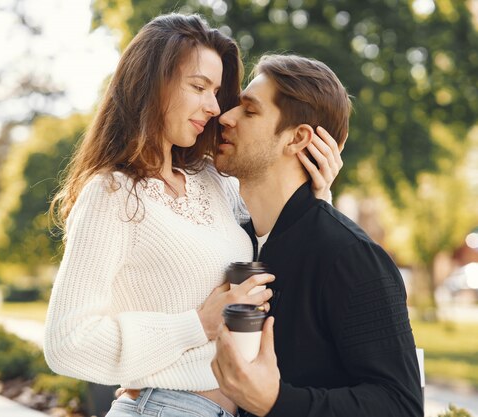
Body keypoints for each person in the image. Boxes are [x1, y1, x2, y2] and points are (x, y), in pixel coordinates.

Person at [43, 14, 342, 417]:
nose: (214, 107)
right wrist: (198, 324)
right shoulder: (112, 193)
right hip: (162, 407)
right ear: (151, 85)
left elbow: (280, 254)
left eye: (216, 91)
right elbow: (67, 341)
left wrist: (318, 196)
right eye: (198, 87)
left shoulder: (212, 182)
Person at [211, 54, 423, 417]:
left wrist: (276, 403)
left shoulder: (349, 256)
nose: (224, 116)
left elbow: (401, 406)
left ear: (298, 138)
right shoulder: (230, 238)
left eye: (249, 111)